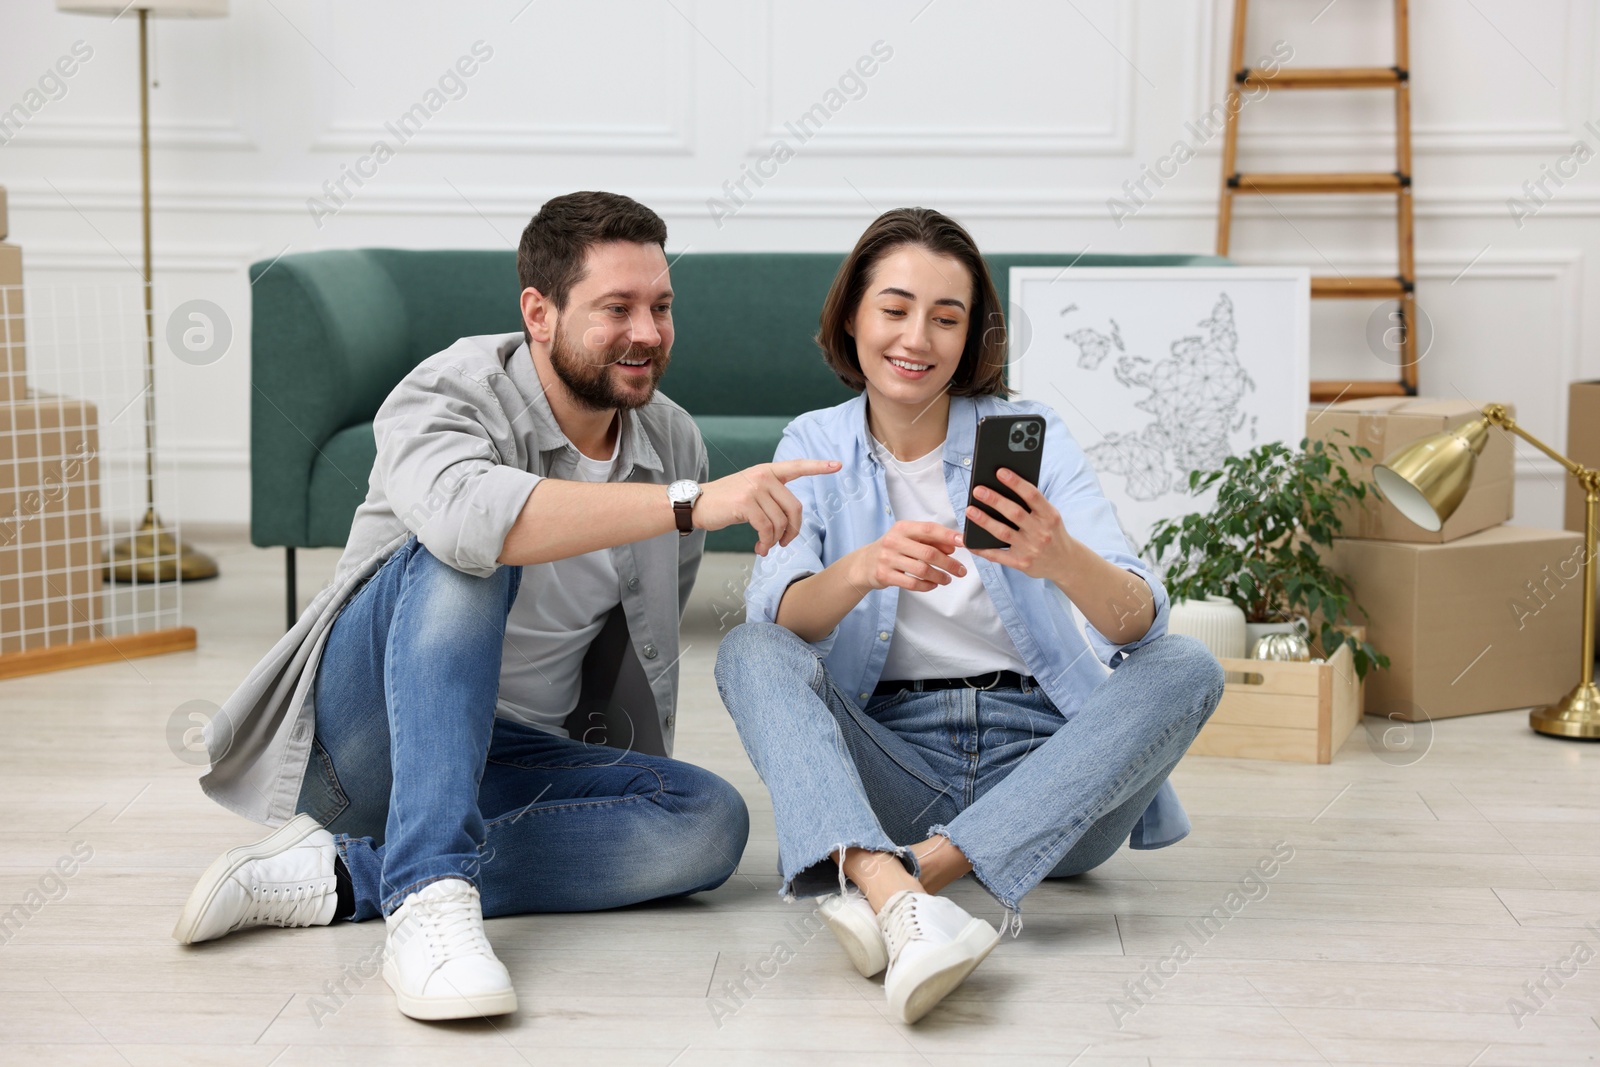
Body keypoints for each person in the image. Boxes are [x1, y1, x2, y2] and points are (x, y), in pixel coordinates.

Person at [174, 191, 838, 1021]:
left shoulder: (672, 443)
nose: (647, 333)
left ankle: (350, 876)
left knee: (709, 822)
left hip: (517, 757)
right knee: (469, 553)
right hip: (369, 746)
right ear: (540, 311)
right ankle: (426, 895)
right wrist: (685, 503)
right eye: (617, 309)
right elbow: (467, 518)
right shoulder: (448, 393)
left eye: (661, 307)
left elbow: (645, 640)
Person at [714, 207, 1225, 1024]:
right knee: (749, 648)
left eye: (946, 318)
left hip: (1055, 778)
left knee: (1189, 664)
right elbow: (786, 618)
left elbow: (1138, 624)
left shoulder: (1032, 437)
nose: (918, 337)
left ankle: (906, 880)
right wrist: (860, 568)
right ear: (852, 316)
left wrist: (1060, 557)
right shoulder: (815, 440)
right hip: (895, 764)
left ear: (970, 335)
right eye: (895, 308)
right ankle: (901, 887)